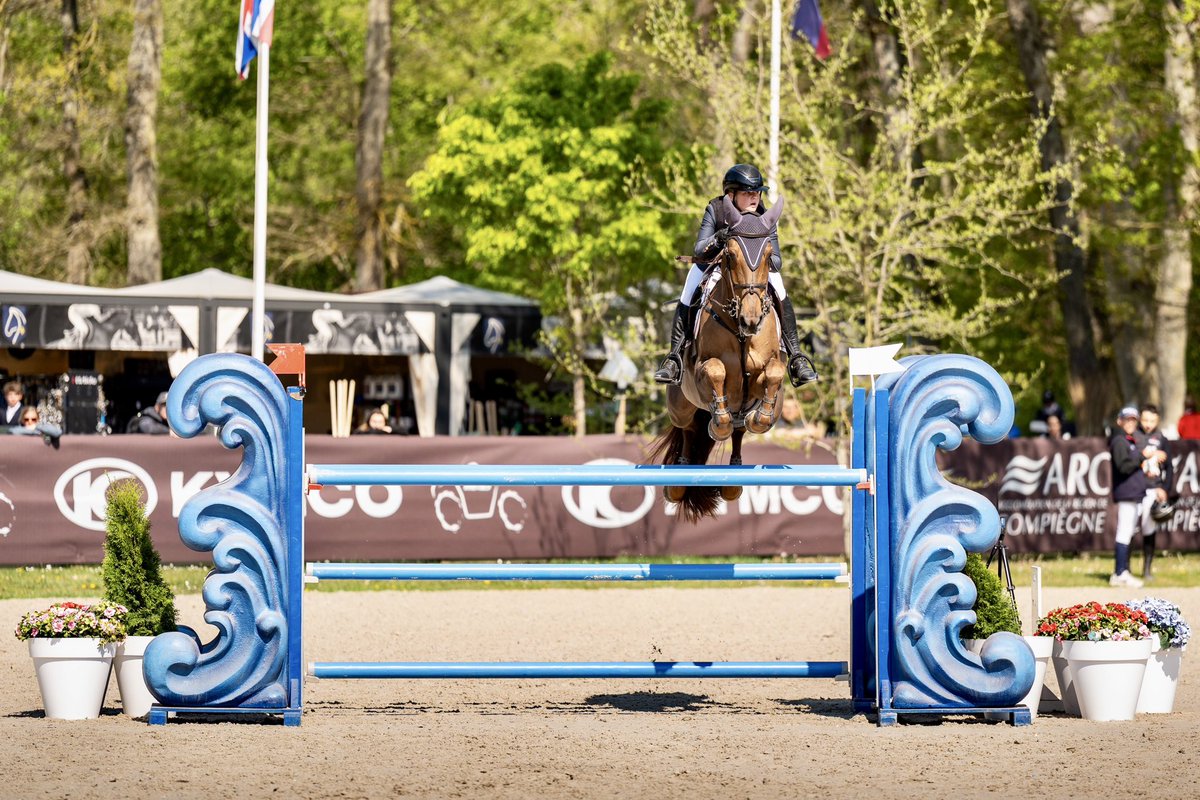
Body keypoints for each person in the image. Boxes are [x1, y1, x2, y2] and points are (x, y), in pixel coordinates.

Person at [653, 164, 818, 388]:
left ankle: (797, 357)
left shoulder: (764, 216)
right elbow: (700, 249)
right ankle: (674, 358)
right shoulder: (716, 209)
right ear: (731, 194)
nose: (755, 197)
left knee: (780, 290)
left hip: (755, 272)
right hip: (717, 266)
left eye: (757, 192)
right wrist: (719, 238)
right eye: (748, 193)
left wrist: (763, 253)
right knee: (689, 290)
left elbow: (777, 262)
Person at [1108, 406, 1158, 588]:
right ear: (1119, 421)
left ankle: (1122, 572)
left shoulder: (1129, 440)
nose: (1130, 423)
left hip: (1134, 494)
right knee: (1123, 533)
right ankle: (1120, 573)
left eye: (1133, 420)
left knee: (1127, 533)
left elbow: (1131, 465)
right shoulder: (1119, 440)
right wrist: (1141, 457)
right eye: (1127, 419)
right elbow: (1123, 466)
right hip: (1126, 494)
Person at [1138, 404, 1174, 581]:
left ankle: (1146, 570)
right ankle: (1124, 570)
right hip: (1135, 490)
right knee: (1127, 531)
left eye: (1152, 420)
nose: (1148, 424)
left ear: (1157, 420)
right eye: (1145, 419)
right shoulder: (1133, 437)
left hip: (1153, 489)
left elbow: (1170, 468)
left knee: (1149, 530)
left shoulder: (1162, 439)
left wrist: (1164, 489)